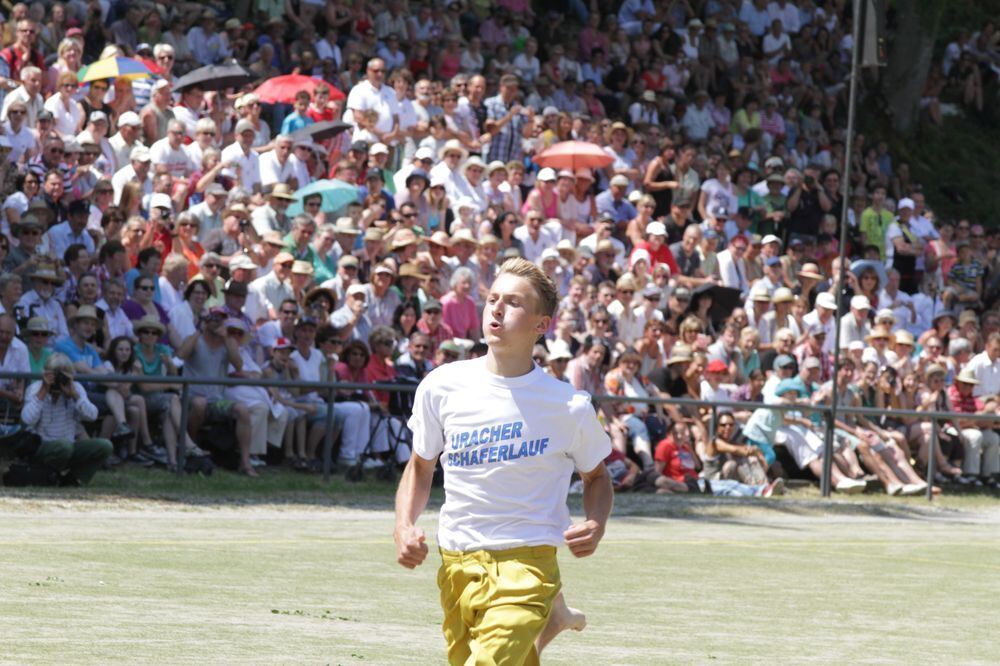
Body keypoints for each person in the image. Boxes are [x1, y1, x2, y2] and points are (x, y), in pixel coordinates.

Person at [394, 257, 612, 662]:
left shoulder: (569, 405)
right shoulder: (441, 386)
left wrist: (596, 523)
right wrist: (404, 525)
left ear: (541, 324)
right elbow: (421, 467)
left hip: (528, 564)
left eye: (513, 302)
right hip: (457, 562)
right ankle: (550, 622)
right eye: (492, 298)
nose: (496, 308)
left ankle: (547, 613)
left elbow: (597, 477)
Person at [19, 353, 113, 485]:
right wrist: (43, 391)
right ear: (45, 374)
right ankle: (49, 477)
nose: (58, 380)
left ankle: (73, 480)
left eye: (63, 375)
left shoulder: (76, 388)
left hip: (69, 446)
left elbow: (92, 416)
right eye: (54, 374)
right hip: (42, 448)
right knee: (64, 446)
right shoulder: (36, 388)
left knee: (105, 446)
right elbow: (27, 420)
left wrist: (75, 396)